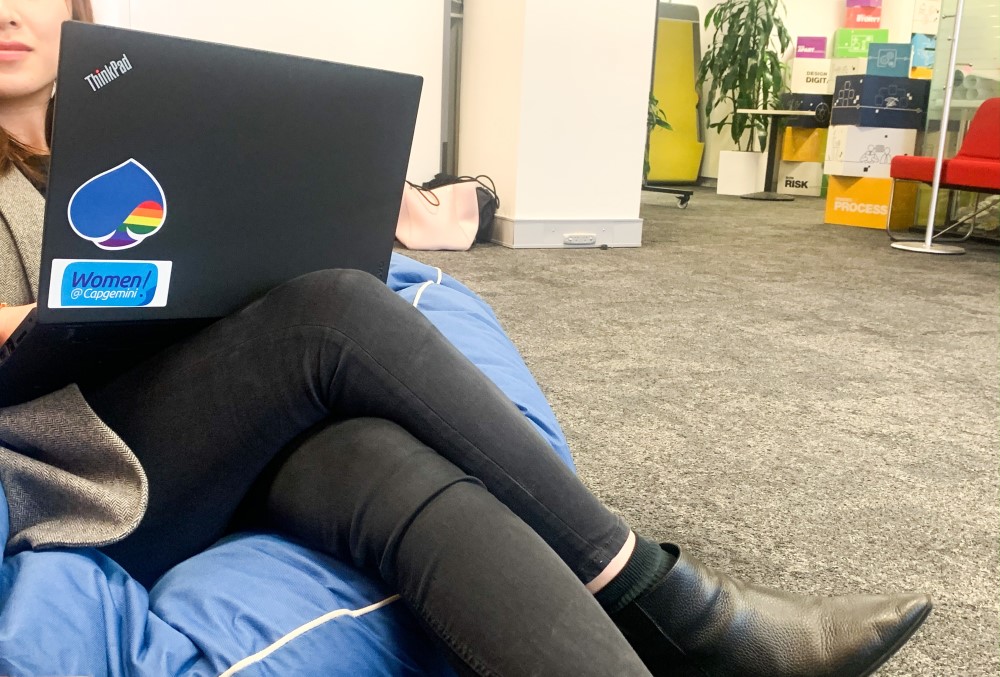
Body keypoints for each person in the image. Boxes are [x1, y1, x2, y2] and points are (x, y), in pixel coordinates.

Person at [0, 2, 933, 675]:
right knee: (331, 313)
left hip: (189, 408)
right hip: (67, 458)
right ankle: (674, 605)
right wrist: (72, 304)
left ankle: (671, 636)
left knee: (374, 455)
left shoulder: (149, 122)